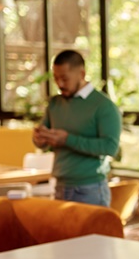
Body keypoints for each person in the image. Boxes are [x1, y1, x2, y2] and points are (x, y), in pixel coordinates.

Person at [32, 50, 122, 207]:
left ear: (82, 73)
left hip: (91, 190)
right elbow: (43, 143)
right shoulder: (55, 103)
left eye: (65, 79)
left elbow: (110, 147)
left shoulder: (104, 106)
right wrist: (39, 139)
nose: (60, 84)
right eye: (56, 78)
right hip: (60, 187)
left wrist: (67, 139)